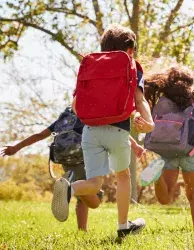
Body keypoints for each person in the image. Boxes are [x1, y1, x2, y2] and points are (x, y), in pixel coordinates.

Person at [56, 24, 155, 238]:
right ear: (130, 49)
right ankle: (122, 226)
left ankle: (70, 189)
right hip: (118, 130)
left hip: (90, 131)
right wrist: (149, 122)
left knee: (94, 184)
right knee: (123, 176)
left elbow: (75, 105)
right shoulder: (132, 65)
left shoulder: (91, 65)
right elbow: (140, 98)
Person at [1, 108, 144, 231]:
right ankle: (69, 189)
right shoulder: (89, 111)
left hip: (65, 159)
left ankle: (81, 226)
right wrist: (135, 145)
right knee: (93, 199)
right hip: (83, 155)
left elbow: (40, 135)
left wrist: (16, 148)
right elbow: (113, 129)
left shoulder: (65, 116)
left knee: (82, 194)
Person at [143, 66, 194, 229]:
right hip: (190, 152)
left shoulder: (163, 102)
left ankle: (156, 176)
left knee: (164, 199)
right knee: (193, 194)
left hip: (167, 152)